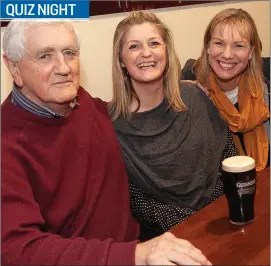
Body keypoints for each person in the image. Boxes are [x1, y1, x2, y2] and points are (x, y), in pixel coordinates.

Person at [1, 20, 211, 265]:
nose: (64, 67)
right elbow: (15, 250)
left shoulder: (82, 102)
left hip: (145, 246)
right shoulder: (8, 144)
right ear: (13, 67)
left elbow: (130, 109)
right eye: (45, 56)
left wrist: (179, 88)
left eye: (69, 53)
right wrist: (135, 255)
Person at [108, 11, 239, 240]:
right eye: (134, 46)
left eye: (154, 43)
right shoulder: (110, 125)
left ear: (166, 51)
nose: (146, 53)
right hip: (165, 241)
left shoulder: (195, 97)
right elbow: (137, 201)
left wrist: (214, 215)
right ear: (121, 59)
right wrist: (194, 224)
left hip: (222, 220)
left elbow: (228, 153)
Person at [193, 8, 270, 171]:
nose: (227, 55)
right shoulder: (193, 95)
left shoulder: (266, 90)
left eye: (238, 45)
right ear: (208, 47)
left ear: (251, 52)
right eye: (219, 43)